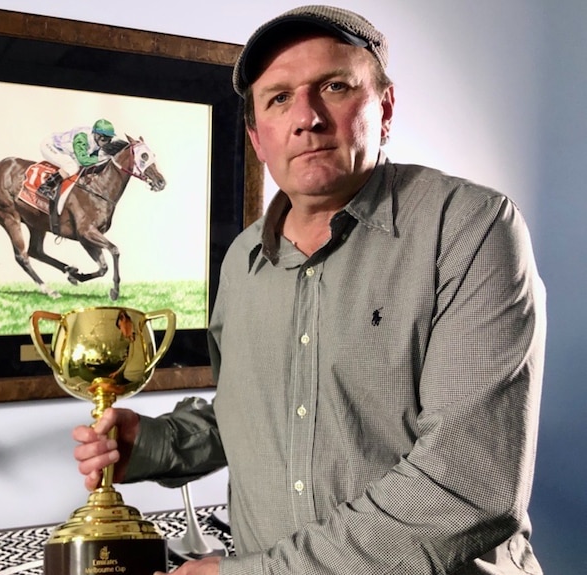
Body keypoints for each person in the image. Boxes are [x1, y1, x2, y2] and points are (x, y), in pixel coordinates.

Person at [73, 5, 546, 575]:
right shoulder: (243, 261)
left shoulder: (470, 227)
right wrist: (150, 444)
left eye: (335, 86)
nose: (307, 117)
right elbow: (252, 416)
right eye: (278, 98)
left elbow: (463, 486)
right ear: (257, 138)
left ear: (385, 107)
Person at [37, 119, 117, 232]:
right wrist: (101, 158)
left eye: (109, 139)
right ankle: (46, 186)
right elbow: (84, 160)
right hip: (50, 146)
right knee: (72, 167)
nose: (106, 142)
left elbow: (92, 159)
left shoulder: (97, 140)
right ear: (97, 135)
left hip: (64, 150)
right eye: (104, 138)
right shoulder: (82, 138)